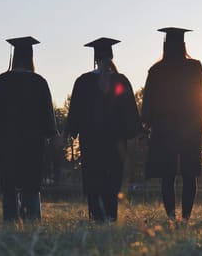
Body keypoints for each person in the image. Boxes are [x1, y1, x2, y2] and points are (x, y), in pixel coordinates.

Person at [142, 27, 202, 221]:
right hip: (189, 126)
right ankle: (185, 218)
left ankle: (171, 218)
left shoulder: (156, 70)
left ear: (165, 45)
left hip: (164, 128)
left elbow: (148, 102)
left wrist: (144, 129)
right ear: (184, 45)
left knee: (167, 175)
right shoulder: (194, 67)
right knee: (189, 174)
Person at [60, 37, 142, 222]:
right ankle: (111, 217)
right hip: (116, 142)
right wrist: (138, 133)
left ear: (95, 58)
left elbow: (75, 112)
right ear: (112, 56)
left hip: (91, 141)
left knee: (93, 178)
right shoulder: (120, 80)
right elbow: (130, 111)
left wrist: (67, 133)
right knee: (112, 181)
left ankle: (95, 216)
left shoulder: (83, 81)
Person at [0, 36, 57, 222]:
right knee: (31, 183)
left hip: (7, 141)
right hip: (33, 142)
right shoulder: (39, 82)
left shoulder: (2, 81)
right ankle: (32, 219)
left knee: (9, 182)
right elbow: (48, 115)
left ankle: (10, 220)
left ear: (14, 57)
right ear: (30, 58)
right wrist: (52, 134)